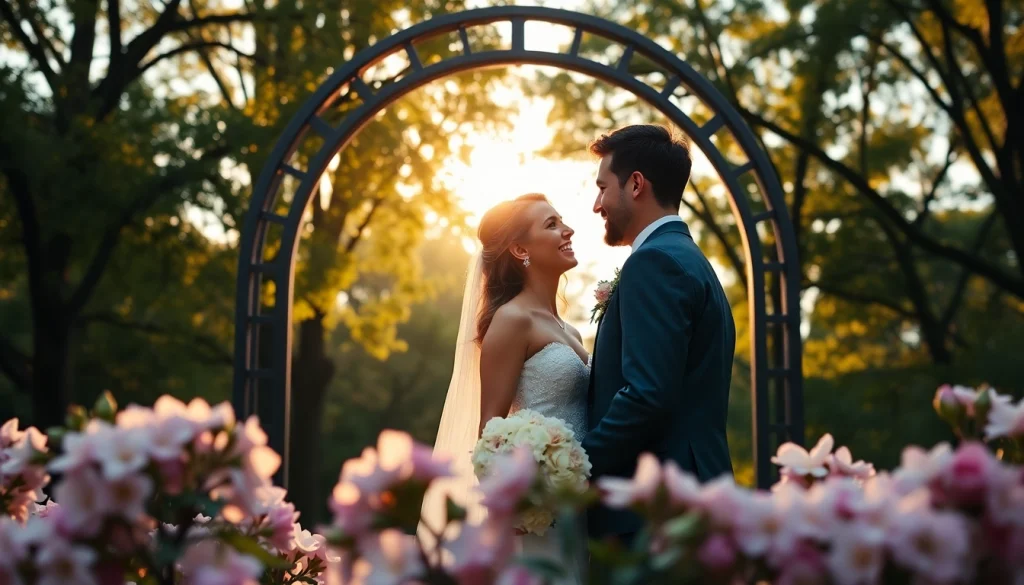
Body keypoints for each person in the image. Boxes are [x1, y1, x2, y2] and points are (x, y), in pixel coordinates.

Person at [582, 124, 736, 548]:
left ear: (635, 184)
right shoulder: (690, 259)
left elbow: (648, 394)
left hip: (657, 514)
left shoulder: (654, 264)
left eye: (602, 187)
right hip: (693, 499)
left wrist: (574, 465)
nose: (597, 205)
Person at [427, 193, 590, 584]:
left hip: (580, 507)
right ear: (520, 249)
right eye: (551, 225)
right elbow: (491, 430)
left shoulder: (571, 330)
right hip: (540, 516)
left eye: (562, 220)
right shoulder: (512, 320)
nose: (567, 230)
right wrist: (521, 504)